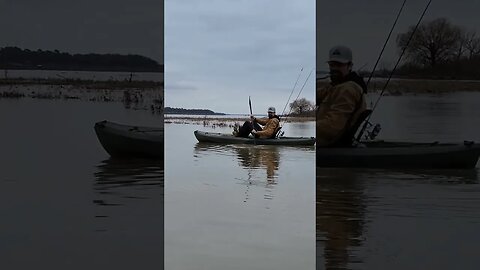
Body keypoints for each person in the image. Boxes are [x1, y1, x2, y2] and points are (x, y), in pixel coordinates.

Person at [317, 45, 368, 147]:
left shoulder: (348, 89)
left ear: (349, 66)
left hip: (328, 145)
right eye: (332, 65)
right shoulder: (336, 85)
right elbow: (319, 94)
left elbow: (332, 126)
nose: (334, 68)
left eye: (339, 65)